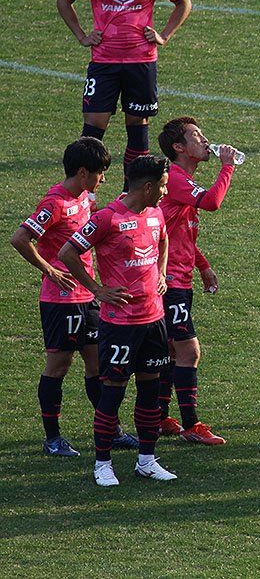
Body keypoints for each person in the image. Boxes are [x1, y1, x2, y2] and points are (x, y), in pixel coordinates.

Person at [11, 137, 138, 456]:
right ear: (83, 172)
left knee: (97, 364)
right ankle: (53, 438)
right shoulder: (55, 202)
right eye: (100, 172)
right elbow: (20, 238)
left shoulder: (85, 197)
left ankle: (112, 430)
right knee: (59, 365)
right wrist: (49, 270)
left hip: (88, 295)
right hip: (60, 300)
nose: (103, 179)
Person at [57, 0, 192, 191]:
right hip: (104, 61)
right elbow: (64, 0)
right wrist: (81, 35)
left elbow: (183, 2)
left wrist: (164, 35)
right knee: (92, 133)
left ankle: (130, 196)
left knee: (138, 134)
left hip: (141, 61)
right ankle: (84, 196)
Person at [58, 155, 176, 486]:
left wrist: (161, 272)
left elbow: (164, 238)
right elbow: (67, 252)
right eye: (163, 186)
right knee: (113, 392)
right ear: (148, 187)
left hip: (154, 319)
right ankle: (103, 464)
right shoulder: (107, 218)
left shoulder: (155, 213)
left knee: (150, 390)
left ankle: (147, 461)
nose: (166, 192)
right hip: (120, 324)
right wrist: (97, 289)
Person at [154, 117, 239, 445]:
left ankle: (159, 417)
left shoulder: (180, 181)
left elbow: (178, 234)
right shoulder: (176, 178)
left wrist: (202, 266)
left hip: (176, 278)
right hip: (169, 281)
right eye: (196, 136)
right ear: (179, 147)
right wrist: (227, 166)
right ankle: (191, 425)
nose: (205, 141)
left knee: (171, 350)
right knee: (189, 351)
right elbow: (212, 202)